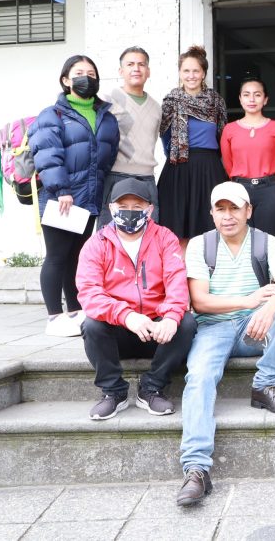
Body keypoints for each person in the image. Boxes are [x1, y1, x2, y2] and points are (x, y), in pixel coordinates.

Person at [177, 182, 275, 506]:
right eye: (221, 209)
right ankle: (196, 469)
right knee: (199, 378)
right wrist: (247, 300)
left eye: (235, 208)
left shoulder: (266, 242)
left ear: (249, 211)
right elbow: (200, 302)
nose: (227, 216)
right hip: (213, 330)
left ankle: (265, 385)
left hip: (252, 328)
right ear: (212, 213)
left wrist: (268, 307)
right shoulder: (200, 246)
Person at [76, 178, 196, 420]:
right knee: (91, 324)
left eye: (137, 207)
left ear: (150, 210)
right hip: (119, 330)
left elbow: (176, 281)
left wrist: (171, 317)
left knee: (186, 323)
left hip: (157, 332)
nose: (130, 212)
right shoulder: (96, 244)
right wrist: (126, 315)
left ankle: (152, 387)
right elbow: (89, 292)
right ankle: (113, 392)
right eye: (123, 206)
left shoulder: (165, 238)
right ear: (111, 209)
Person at [30, 55, 120, 337]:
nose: (86, 77)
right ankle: (54, 317)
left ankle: (76, 311)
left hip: (89, 197)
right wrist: (62, 190)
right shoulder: (52, 114)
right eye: (79, 72)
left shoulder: (105, 114)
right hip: (62, 198)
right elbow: (46, 155)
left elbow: (109, 154)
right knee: (57, 256)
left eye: (91, 73)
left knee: (77, 257)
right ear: (66, 80)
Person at [158, 45, 228, 250]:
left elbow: (223, 136)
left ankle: (205, 279)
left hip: (209, 168)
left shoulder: (216, 101)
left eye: (196, 71)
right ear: (180, 73)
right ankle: (180, 279)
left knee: (210, 231)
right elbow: (164, 137)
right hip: (178, 168)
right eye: (186, 71)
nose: (191, 76)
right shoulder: (171, 101)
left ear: (204, 72)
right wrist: (176, 156)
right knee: (177, 231)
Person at [98, 47, 162, 228]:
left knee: (148, 237)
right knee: (110, 238)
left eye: (141, 64)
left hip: (147, 179)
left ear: (148, 71)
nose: (136, 68)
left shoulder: (157, 108)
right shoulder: (107, 101)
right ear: (121, 71)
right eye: (130, 64)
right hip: (116, 177)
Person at [220, 77, 275, 237]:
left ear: (265, 100)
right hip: (240, 191)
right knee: (241, 242)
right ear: (240, 99)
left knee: (266, 242)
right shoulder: (229, 130)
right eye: (246, 94)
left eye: (257, 95)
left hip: (269, 191)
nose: (251, 99)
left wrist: (274, 188)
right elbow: (229, 165)